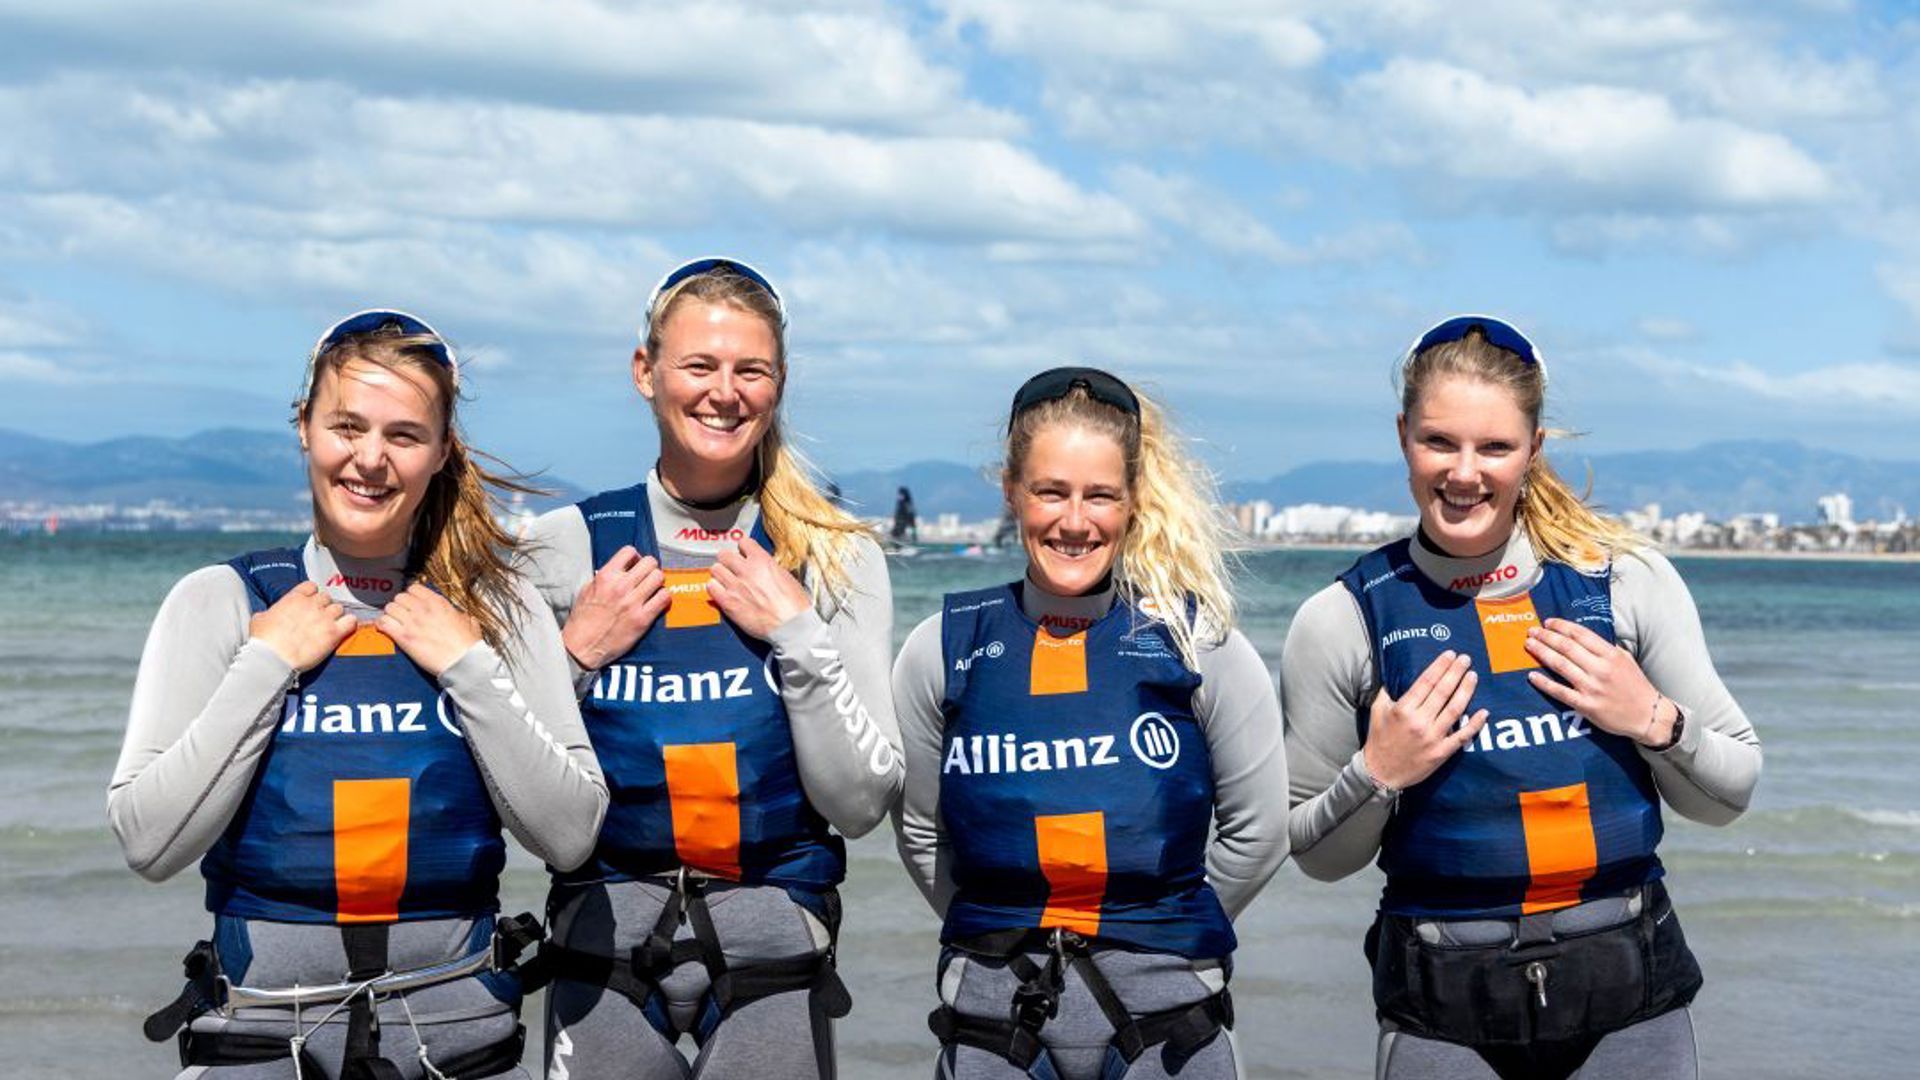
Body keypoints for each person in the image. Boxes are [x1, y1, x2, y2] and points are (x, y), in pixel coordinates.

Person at [112, 310, 608, 1078]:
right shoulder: (222, 600)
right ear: (304, 427)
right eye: (347, 426)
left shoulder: (498, 611)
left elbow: (571, 835)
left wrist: (468, 668)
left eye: (404, 436)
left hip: (455, 1040)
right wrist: (266, 664)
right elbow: (149, 842)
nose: (370, 460)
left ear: (442, 452)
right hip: (260, 1034)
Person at [1282, 316, 1764, 1079]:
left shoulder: (1626, 582)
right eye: (1439, 441)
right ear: (1403, 435)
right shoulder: (1343, 619)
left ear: (1533, 451)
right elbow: (1316, 855)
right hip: (1442, 1006)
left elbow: (1730, 791)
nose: (1464, 473)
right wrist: (1377, 775)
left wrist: (1653, 721)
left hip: (1629, 998)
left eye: (1495, 447)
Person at [518, 257, 901, 1079]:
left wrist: (798, 636)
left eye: (749, 370)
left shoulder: (833, 556)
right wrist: (572, 657)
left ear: (780, 383)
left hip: (773, 924)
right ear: (644, 371)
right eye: (699, 365)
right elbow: (518, 796)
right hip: (602, 924)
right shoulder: (560, 549)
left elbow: (862, 803)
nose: (723, 392)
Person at [893, 367, 1289, 1079]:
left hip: (1168, 1010)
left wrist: (1161, 932)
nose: (1075, 522)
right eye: (1050, 491)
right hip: (993, 1010)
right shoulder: (940, 647)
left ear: (1133, 501)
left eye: (1100, 495)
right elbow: (923, 831)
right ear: (1012, 489)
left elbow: (1259, 833)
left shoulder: (1199, 642)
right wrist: (998, 927)